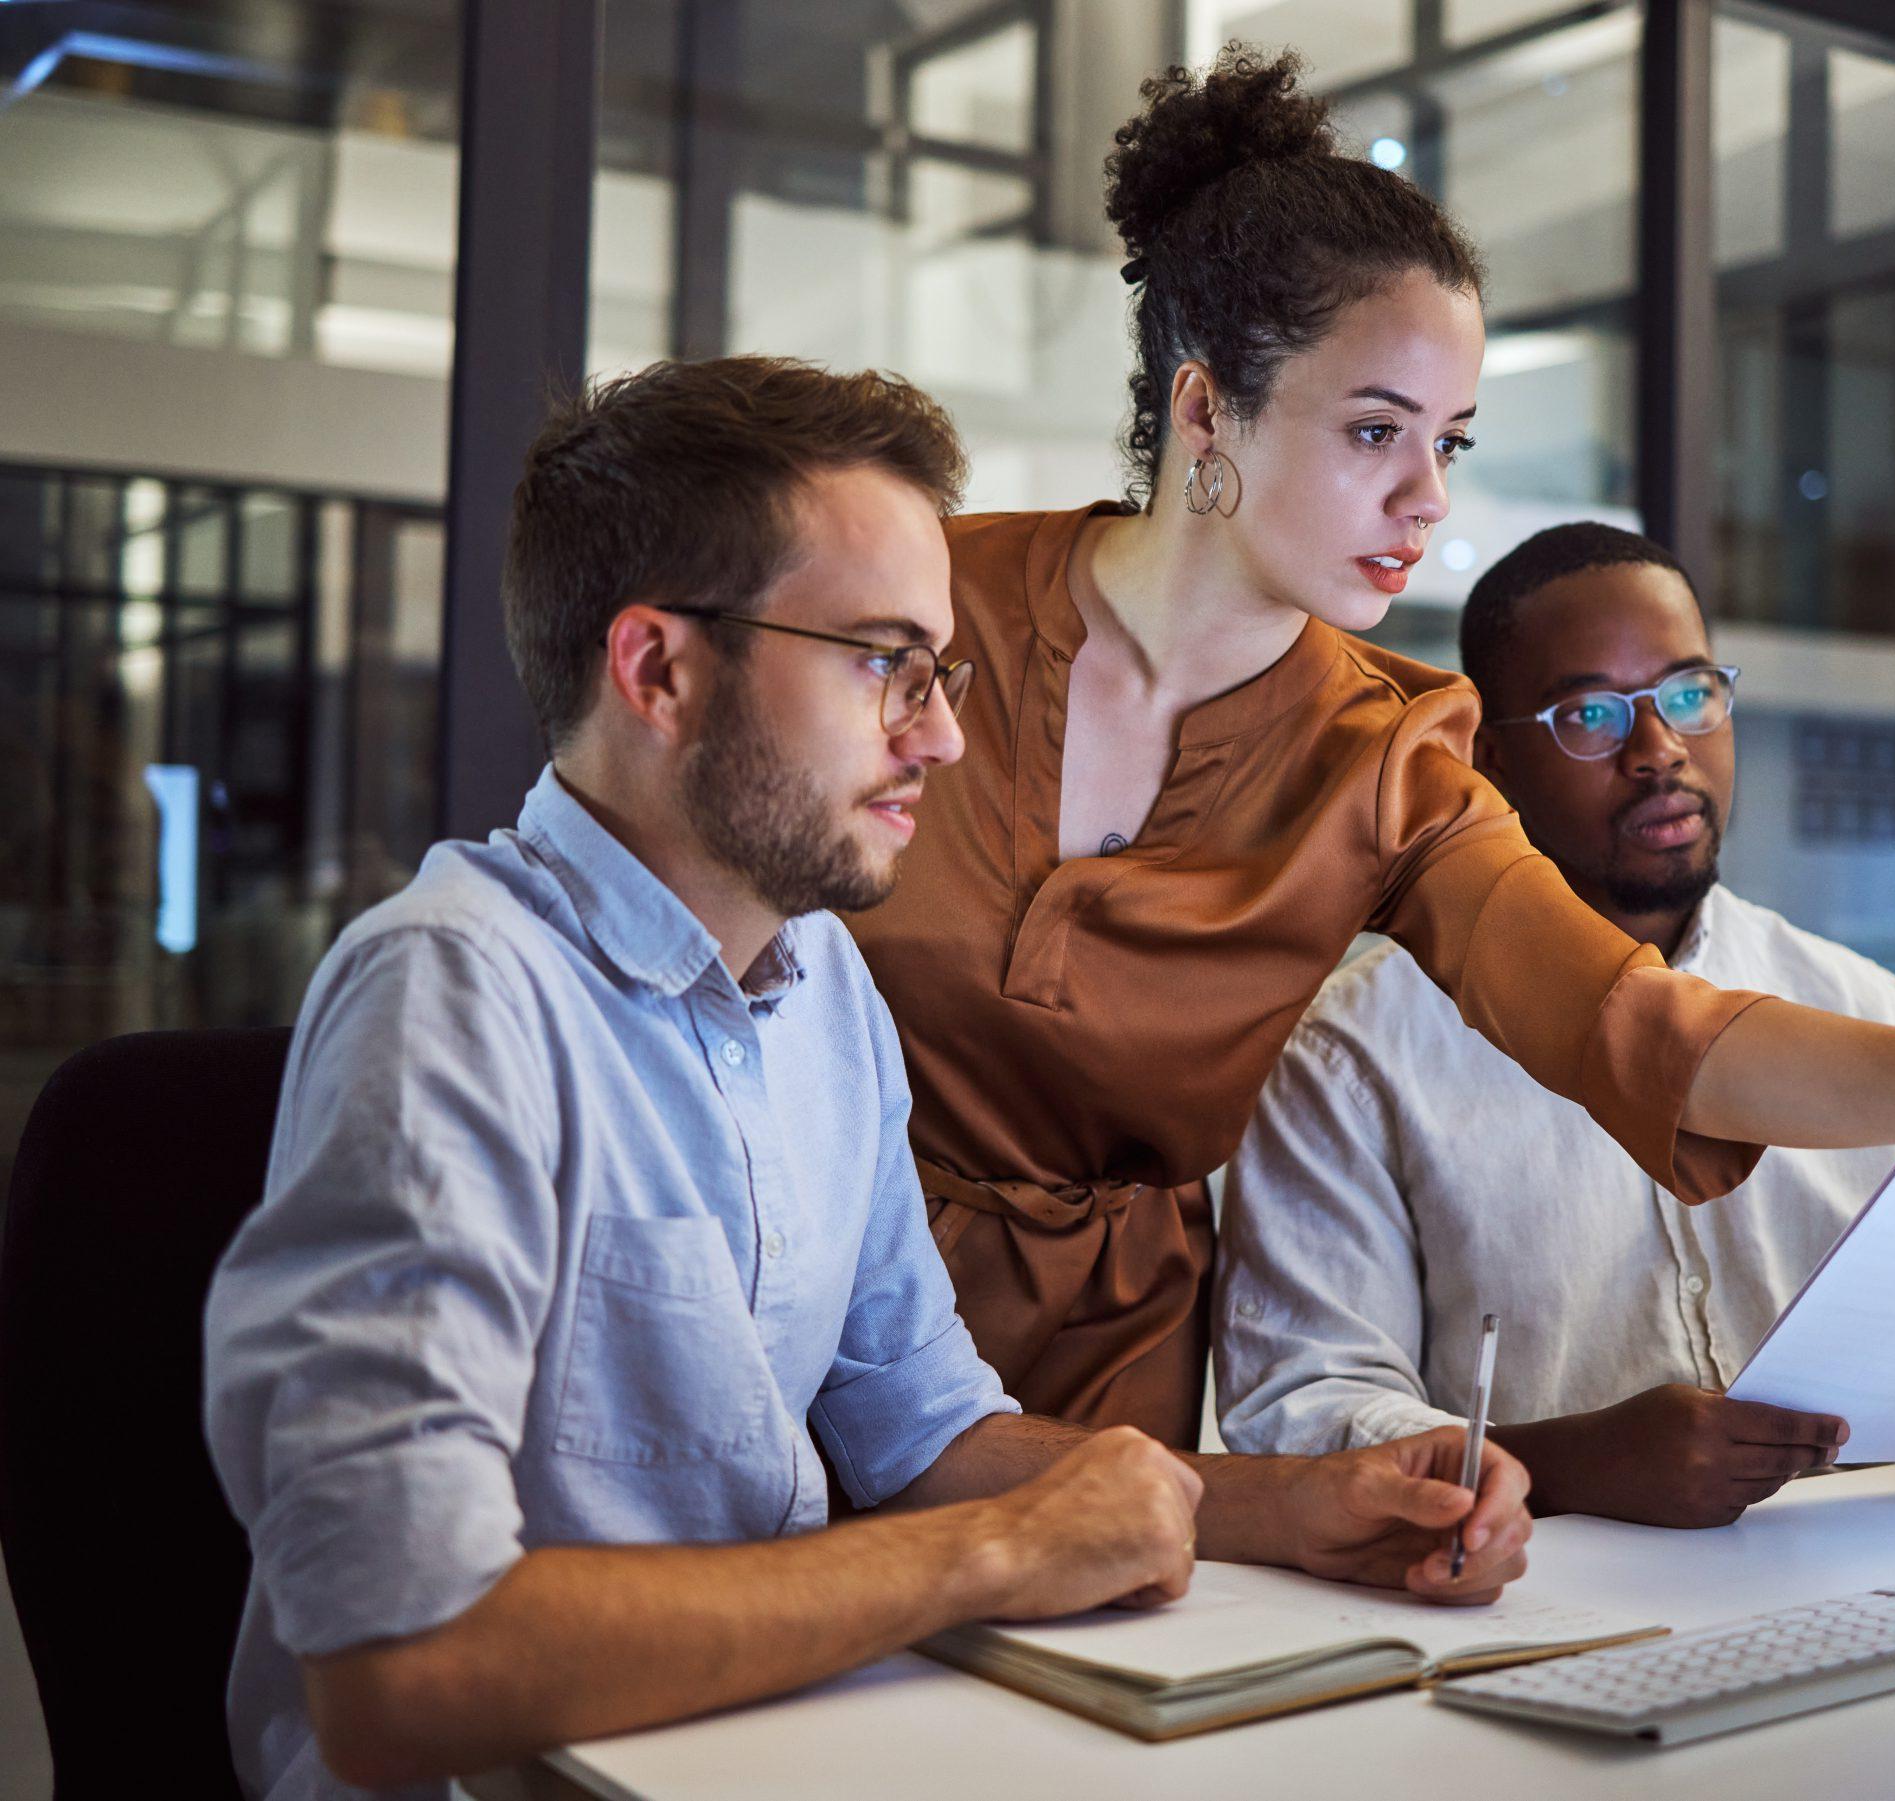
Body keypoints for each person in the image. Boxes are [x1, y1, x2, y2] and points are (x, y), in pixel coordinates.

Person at [202, 358, 1532, 1801]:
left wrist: (1296, 1507)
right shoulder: (453, 995)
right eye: (881, 661)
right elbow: (400, 1671)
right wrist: (989, 1555)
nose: (943, 734)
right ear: (658, 669)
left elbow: (923, 1428)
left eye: (941, 670)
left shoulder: (823, 980)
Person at [844, 48, 1895, 1448]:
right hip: (798, 1305)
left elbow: (1641, 1027)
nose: (1427, 499)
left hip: (1102, 1393)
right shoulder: (917, 610)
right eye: (1377, 431)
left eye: (1451, 443)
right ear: (1203, 410)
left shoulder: (1390, 753)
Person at [1216, 523, 1895, 1526]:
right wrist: (1570, 1463)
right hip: (1530, 1600)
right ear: (1488, 757)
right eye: (1589, 714)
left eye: (1690, 694)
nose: (1659, 750)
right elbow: (1298, 1412)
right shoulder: (1351, 1054)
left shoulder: (1865, 1009)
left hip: (1863, 1569)